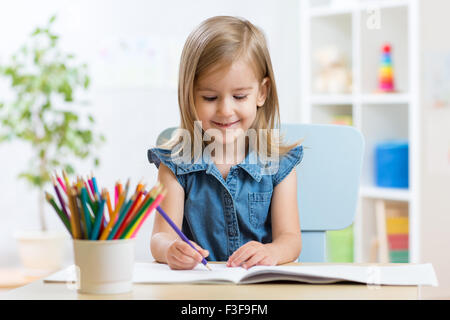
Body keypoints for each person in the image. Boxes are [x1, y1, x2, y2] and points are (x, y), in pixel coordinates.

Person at [148, 16, 303, 270]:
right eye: (210, 97)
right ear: (189, 95)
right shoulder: (174, 166)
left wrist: (271, 252)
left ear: (261, 93)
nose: (225, 110)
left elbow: (291, 240)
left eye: (239, 96)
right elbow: (159, 238)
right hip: (198, 289)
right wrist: (170, 249)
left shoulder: (279, 166)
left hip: (260, 288)